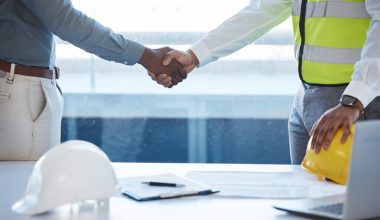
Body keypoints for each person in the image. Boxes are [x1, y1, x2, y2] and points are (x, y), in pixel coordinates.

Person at [151, 0, 380, 164]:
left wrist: (353, 101)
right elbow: (261, 11)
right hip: (306, 98)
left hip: (349, 104)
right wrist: (195, 54)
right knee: (307, 204)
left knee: (350, 206)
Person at [0, 0, 186, 160]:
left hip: (21, 85)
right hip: (17, 88)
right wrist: (147, 57)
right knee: (25, 187)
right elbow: (64, 20)